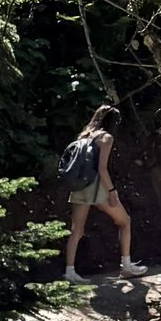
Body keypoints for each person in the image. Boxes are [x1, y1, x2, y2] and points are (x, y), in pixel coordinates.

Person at [60, 104, 145, 285]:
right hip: (97, 187)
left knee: (76, 230)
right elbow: (102, 168)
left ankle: (70, 272)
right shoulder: (106, 138)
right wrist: (112, 191)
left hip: (80, 185)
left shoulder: (84, 135)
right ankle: (126, 266)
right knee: (125, 221)